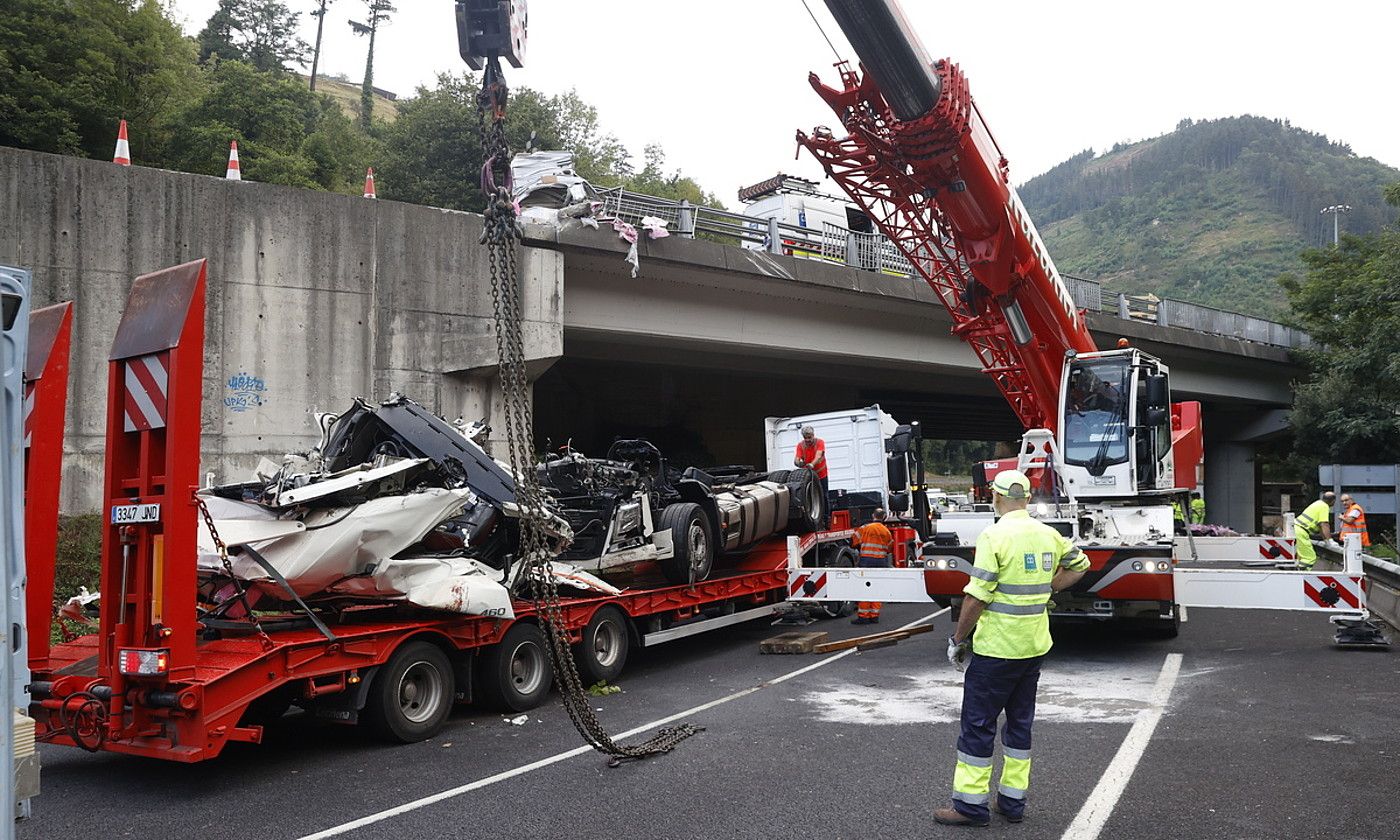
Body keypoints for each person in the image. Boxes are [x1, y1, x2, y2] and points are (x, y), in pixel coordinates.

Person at [934, 470, 1090, 828]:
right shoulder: (1049, 534)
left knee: (978, 725)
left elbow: (977, 595)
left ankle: (971, 807)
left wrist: (958, 640)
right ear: (1028, 498)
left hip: (996, 650)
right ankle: (1012, 802)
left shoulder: (994, 535)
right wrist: (1049, 588)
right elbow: (1081, 564)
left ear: (996, 497)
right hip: (1032, 648)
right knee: (1019, 726)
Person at [851, 508, 894, 625]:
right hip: (880, 561)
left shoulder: (865, 528)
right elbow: (889, 548)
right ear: (884, 517)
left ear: (872, 515)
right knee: (877, 588)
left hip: (866, 561)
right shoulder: (887, 532)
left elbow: (854, 541)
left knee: (865, 588)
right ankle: (874, 616)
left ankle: (863, 617)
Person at [793, 426, 829, 526]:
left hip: (821, 475)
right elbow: (797, 458)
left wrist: (812, 464)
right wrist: (798, 462)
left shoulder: (820, 442)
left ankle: (826, 519)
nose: (808, 440)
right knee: (809, 497)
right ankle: (811, 519)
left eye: (809, 437)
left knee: (824, 496)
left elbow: (818, 456)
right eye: (806, 438)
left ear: (813, 435)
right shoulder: (801, 445)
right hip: (808, 477)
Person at [1294, 491, 1336, 571]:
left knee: (1302, 556)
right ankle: (1303, 575)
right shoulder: (1324, 507)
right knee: (1309, 558)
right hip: (1301, 531)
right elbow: (1324, 524)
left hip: (1297, 529)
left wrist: (1326, 539)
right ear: (1333, 501)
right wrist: (1330, 540)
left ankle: (1298, 571)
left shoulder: (1318, 503)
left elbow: (1320, 527)